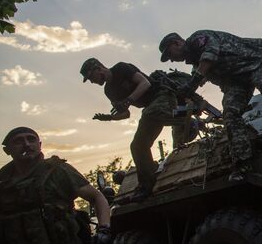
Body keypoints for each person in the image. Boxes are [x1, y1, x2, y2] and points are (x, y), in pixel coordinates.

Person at [158, 30, 262, 181]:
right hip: (236, 83)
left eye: (170, 54)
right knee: (230, 113)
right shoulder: (195, 62)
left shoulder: (197, 39)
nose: (171, 60)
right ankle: (243, 164)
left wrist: (192, 85)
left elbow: (209, 57)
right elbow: (200, 75)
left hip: (252, 64)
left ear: (177, 43)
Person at [80, 58, 187, 202]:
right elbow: (126, 114)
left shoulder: (121, 68)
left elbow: (145, 83)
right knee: (138, 145)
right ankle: (150, 179)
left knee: (148, 116)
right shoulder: (109, 91)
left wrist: (128, 100)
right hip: (151, 109)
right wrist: (109, 118)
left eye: (91, 77)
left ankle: (146, 185)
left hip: (163, 96)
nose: (92, 82)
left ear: (99, 68)